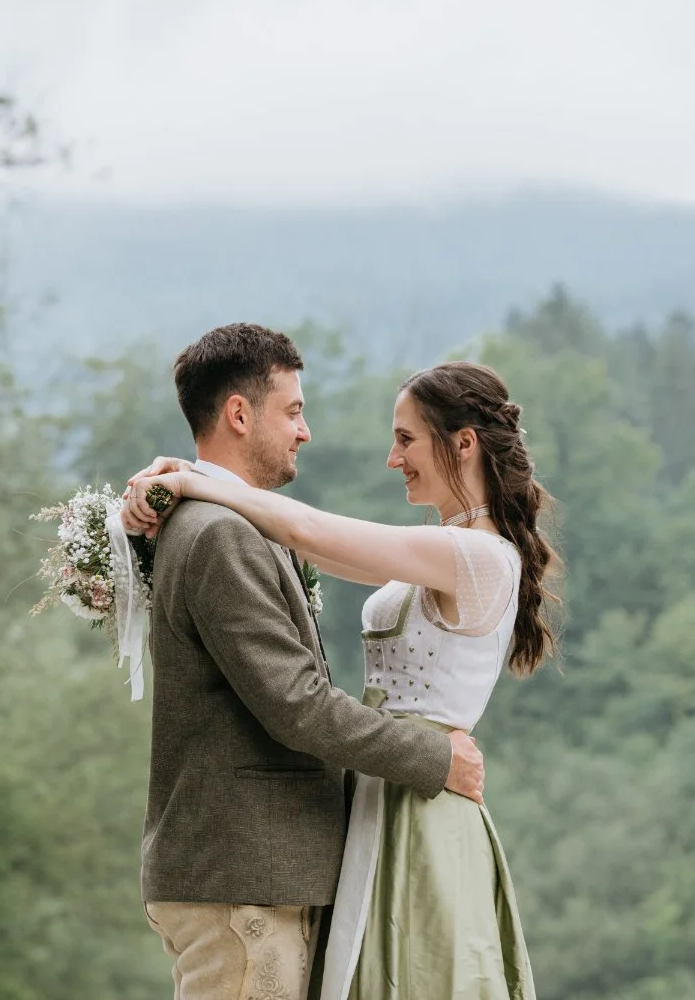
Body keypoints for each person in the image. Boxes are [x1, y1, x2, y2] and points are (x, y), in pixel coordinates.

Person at [126, 356, 557, 1000]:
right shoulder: (445, 547)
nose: (392, 457)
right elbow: (308, 544)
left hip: (421, 789)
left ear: (462, 443)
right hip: (381, 790)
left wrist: (194, 479)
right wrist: (183, 491)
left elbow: (303, 529)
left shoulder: (478, 556)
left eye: (406, 439)